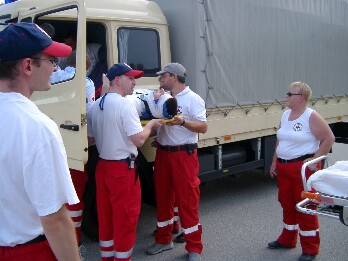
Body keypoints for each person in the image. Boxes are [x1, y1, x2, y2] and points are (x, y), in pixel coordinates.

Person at [0, 22, 80, 260]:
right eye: (51, 61)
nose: (55, 69)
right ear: (27, 65)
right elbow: (54, 219)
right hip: (29, 251)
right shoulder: (36, 126)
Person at [87, 63, 163, 261]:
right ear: (117, 80)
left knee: (106, 218)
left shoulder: (95, 105)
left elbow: (91, 139)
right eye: (130, 78)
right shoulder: (125, 105)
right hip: (122, 170)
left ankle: (108, 257)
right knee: (125, 219)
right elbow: (138, 139)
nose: (134, 82)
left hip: (102, 167)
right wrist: (153, 125)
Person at [146, 63, 208, 261]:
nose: (160, 80)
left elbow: (203, 126)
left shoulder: (192, 99)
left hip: (184, 156)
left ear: (174, 76)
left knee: (187, 201)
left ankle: (194, 248)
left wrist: (182, 122)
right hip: (164, 154)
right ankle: (164, 239)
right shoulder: (164, 97)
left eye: (163, 76)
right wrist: (156, 133)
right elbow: (162, 124)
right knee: (163, 198)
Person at [268, 82, 335, 261]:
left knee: (306, 206)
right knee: (286, 203)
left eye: (290, 94)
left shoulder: (310, 116)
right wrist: (275, 160)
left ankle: (310, 248)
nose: (286, 96)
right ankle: (287, 239)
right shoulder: (285, 115)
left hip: (301, 169)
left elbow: (329, 138)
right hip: (284, 167)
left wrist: (314, 160)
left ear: (301, 98)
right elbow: (281, 140)